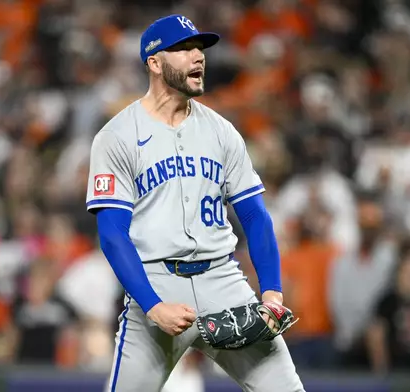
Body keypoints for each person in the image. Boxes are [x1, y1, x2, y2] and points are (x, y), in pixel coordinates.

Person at [85, 14, 304, 392]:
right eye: (184, 49)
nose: (198, 57)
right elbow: (112, 234)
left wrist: (271, 292)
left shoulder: (221, 131)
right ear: (154, 62)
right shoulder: (117, 136)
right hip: (156, 280)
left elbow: (254, 215)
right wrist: (153, 306)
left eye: (200, 49)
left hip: (223, 280)